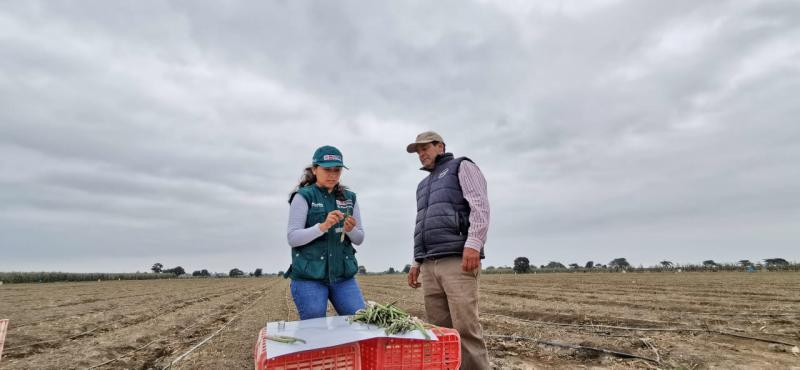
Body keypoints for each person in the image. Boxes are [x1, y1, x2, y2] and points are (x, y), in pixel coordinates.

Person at [405, 131, 490, 369]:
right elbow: (422, 224)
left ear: (440, 146)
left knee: (465, 327)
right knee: (439, 330)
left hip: (457, 259)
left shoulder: (461, 166)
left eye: (425, 148)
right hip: (430, 263)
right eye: (418, 151)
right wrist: (416, 262)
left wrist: (474, 244)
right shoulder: (423, 185)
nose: (421, 154)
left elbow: (480, 205)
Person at [283, 145, 366, 320]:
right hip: (309, 277)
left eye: (337, 170)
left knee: (360, 318)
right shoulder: (303, 196)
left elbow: (359, 239)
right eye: (327, 169)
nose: (333, 175)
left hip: (343, 277)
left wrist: (350, 230)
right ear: (314, 169)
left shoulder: (350, 197)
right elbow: (293, 237)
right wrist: (322, 227)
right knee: (314, 323)